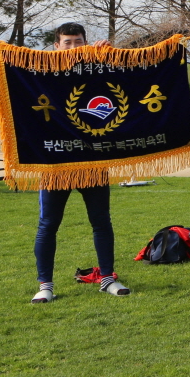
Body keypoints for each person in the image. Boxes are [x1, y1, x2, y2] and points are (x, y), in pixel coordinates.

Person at [31, 23, 129, 303]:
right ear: (56, 46)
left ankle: (108, 278)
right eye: (67, 42)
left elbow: (129, 80)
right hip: (56, 163)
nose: (74, 47)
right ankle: (45, 285)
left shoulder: (99, 67)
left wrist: (111, 55)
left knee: (101, 221)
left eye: (78, 42)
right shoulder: (42, 71)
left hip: (91, 159)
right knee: (48, 224)